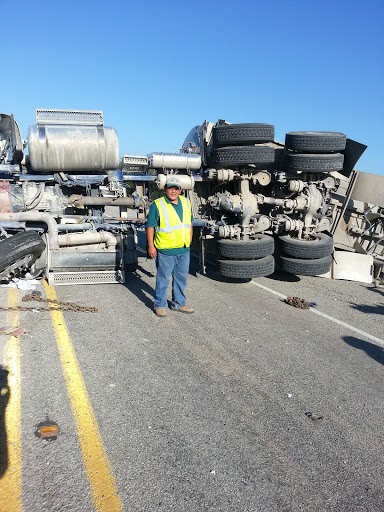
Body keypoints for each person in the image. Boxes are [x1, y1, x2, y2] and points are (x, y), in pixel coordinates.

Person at [146, 175, 194, 317]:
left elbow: (190, 221)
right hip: (166, 249)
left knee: (181, 278)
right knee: (163, 279)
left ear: (180, 190)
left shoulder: (186, 202)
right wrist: (151, 246)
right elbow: (150, 226)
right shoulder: (157, 205)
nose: (173, 191)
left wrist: (190, 238)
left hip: (183, 249)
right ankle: (159, 304)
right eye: (170, 188)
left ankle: (179, 303)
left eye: (176, 189)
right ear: (164, 189)